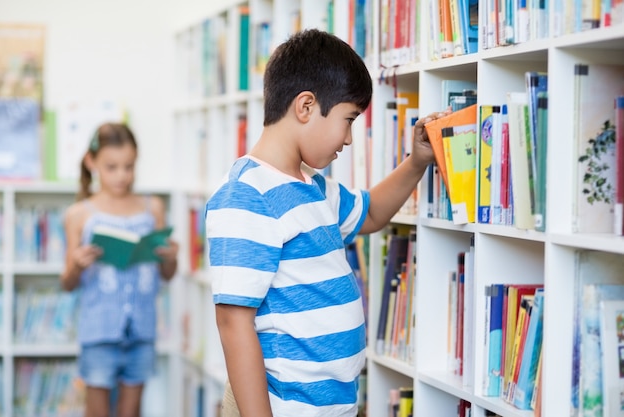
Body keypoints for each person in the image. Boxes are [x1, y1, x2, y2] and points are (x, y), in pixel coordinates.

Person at [204, 28, 450, 417]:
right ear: (305, 107)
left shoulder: (314, 187)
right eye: (348, 120)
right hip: (284, 407)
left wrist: (417, 161)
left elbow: (369, 213)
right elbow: (234, 324)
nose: (349, 139)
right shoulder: (247, 195)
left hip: (328, 405)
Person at [60, 122, 178, 417]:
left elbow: (168, 275)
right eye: (111, 167)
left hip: (142, 331)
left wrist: (170, 257)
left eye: (129, 166)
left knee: (132, 411)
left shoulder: (153, 209)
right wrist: (76, 263)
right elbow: (67, 283)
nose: (122, 176)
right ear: (92, 163)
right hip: (98, 332)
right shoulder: (79, 215)